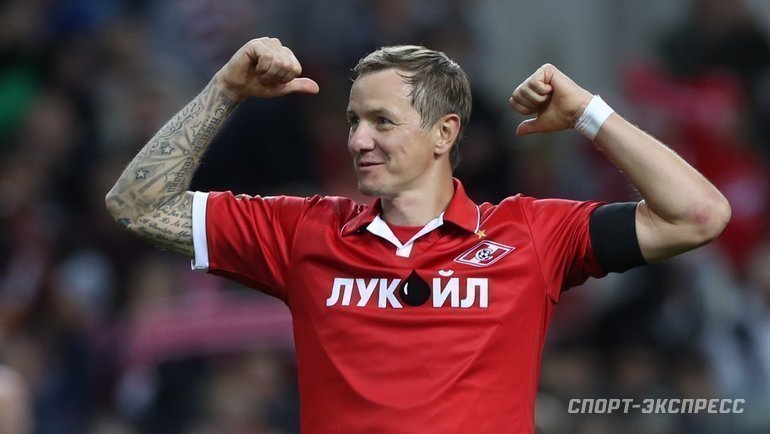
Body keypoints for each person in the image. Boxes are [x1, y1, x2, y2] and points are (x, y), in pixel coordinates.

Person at [105, 37, 731, 433]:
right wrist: (225, 91)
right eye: (353, 120)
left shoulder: (529, 233)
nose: (358, 139)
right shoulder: (303, 231)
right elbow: (137, 205)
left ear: (444, 133)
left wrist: (589, 114)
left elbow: (698, 215)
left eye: (382, 121)